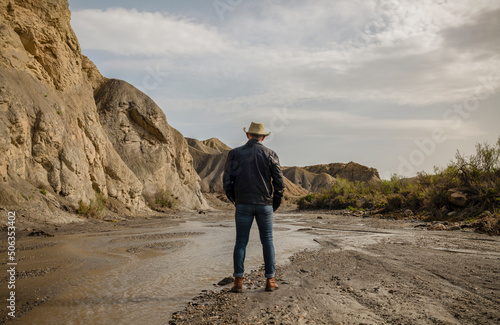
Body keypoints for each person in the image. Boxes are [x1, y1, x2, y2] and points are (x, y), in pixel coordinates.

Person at [223, 122, 285, 293]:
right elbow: (279, 183)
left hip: (243, 204)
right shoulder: (270, 154)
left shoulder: (235, 154)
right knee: (268, 241)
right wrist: (275, 204)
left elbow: (227, 181)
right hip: (265, 204)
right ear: (263, 137)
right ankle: (270, 281)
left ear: (247, 135)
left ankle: (238, 282)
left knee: (241, 241)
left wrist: (236, 200)